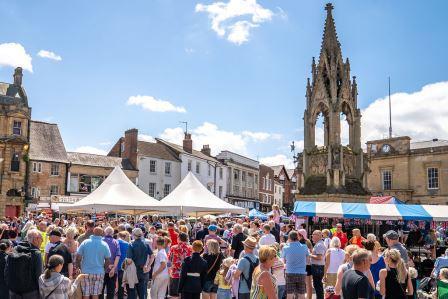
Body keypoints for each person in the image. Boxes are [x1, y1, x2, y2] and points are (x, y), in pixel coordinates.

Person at [5, 228, 43, 298]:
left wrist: (10, 286)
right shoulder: (36, 253)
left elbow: (6, 271)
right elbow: (39, 276)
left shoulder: (14, 249)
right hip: (31, 292)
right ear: (36, 239)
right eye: (41, 239)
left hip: (13, 291)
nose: (42, 242)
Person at [76, 227, 111, 299]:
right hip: (99, 272)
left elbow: (78, 257)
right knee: (95, 294)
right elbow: (108, 260)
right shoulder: (104, 244)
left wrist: (79, 268)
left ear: (93, 232)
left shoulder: (85, 242)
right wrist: (103, 269)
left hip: (85, 271)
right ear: (102, 234)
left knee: (85, 294)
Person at [126, 227, 153, 299]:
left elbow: (129, 260)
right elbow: (152, 256)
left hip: (133, 270)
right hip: (142, 270)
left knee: (132, 291)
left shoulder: (131, 244)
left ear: (134, 235)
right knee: (142, 291)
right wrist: (148, 265)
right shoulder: (145, 244)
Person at [282, 231, 309, 299]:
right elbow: (308, 260)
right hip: (301, 273)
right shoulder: (305, 247)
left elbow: (283, 261)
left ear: (289, 238)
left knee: (289, 294)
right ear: (297, 237)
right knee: (301, 294)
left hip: (290, 273)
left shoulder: (285, 248)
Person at [168, 232, 192, 299]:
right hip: (187, 274)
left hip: (175, 273)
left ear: (179, 238)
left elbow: (169, 259)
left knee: (174, 295)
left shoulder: (173, 247)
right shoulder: (190, 248)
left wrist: (169, 269)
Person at [101, 226, 121, 299]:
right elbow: (118, 256)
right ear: (112, 233)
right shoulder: (116, 242)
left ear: (105, 232)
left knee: (101, 291)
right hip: (112, 269)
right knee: (111, 291)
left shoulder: (101, 241)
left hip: (101, 269)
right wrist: (113, 268)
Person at [310, 230, 326, 299]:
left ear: (318, 236)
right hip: (317, 267)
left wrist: (309, 255)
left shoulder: (319, 245)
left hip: (318, 267)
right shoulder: (318, 244)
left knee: (318, 285)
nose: (312, 236)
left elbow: (319, 257)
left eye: (313, 234)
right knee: (317, 285)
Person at [117, 231, 129, 299]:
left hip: (114, 266)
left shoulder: (115, 242)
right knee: (122, 284)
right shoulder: (127, 244)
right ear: (124, 237)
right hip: (123, 266)